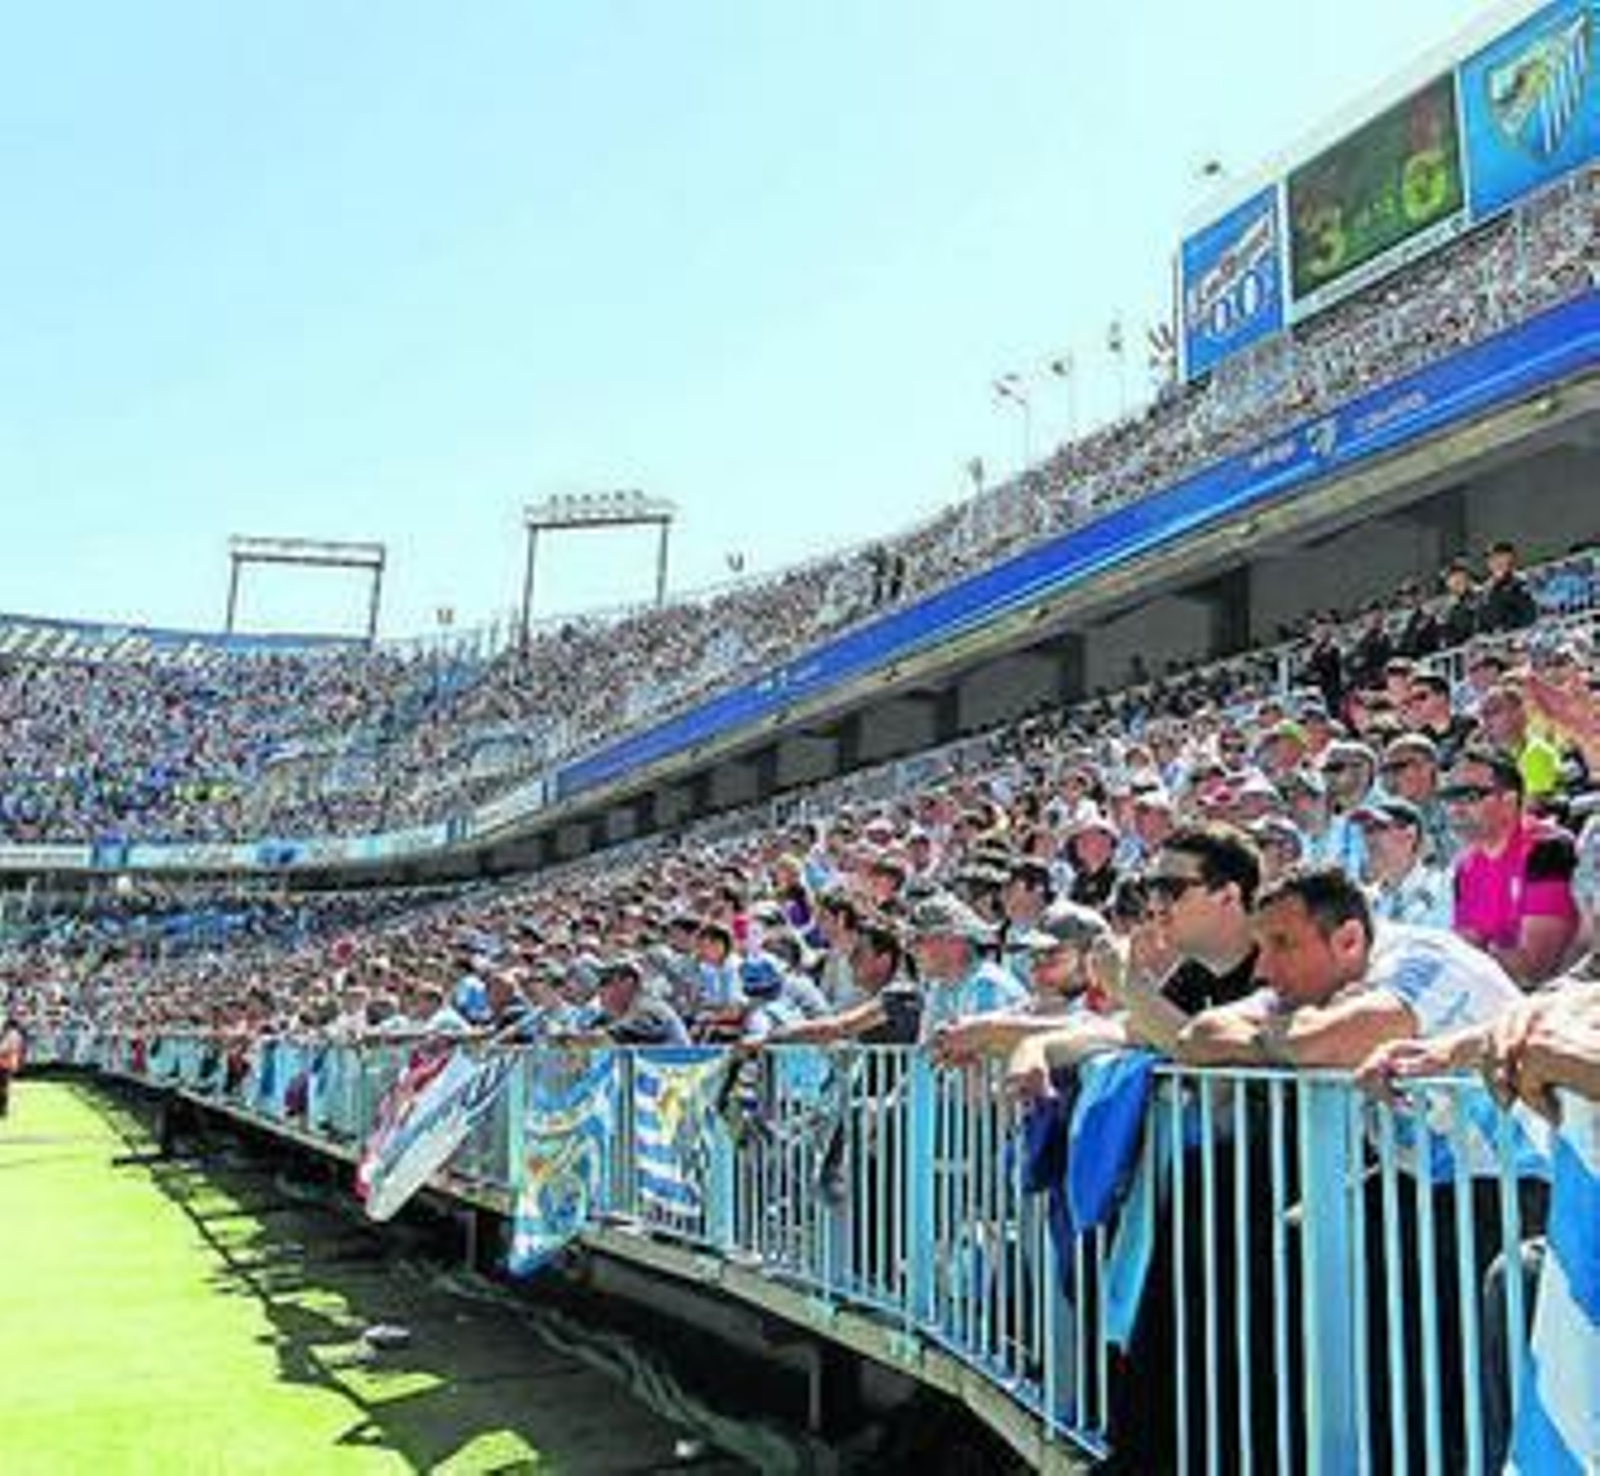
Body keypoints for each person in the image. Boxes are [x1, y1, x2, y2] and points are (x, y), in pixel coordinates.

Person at [1177, 867, 1520, 1069]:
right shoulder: (1311, 988)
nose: (1261, 970)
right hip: (1432, 1181)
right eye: (1261, 948)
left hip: (1530, 1177)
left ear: (1348, 941)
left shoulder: (1427, 957)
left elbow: (1323, 1043)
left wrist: (1300, 1037)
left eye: (1281, 944)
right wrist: (1288, 1038)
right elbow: (1198, 1034)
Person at [1445, 747, 1580, 987]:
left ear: (1509, 801)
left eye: (1469, 796)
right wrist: (1489, 953)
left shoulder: (1547, 848)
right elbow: (1465, 955)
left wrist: (1480, 954)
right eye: (1449, 796)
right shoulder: (1465, 867)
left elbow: (1534, 969)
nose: (1455, 808)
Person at [1354, 799, 1452, 930]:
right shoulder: (1366, 900)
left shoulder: (1443, 887)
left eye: (1381, 827)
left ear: (1410, 834)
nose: (1371, 839)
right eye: (1368, 830)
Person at [0, 1012, 26, 1118]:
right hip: (11, 1063)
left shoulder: (10, 1035)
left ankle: (3, 1109)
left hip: (3, 1063)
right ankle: (4, 1109)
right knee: (5, 1087)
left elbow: (3, 1049)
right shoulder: (18, 1035)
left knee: (3, 1087)